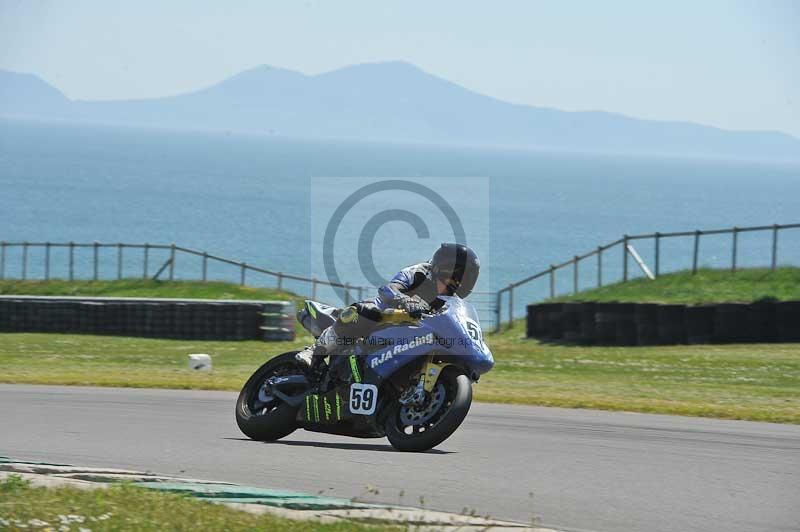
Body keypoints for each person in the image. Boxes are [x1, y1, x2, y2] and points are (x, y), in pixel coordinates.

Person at [295, 243, 480, 369]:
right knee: (365, 312)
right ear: (440, 271)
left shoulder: (452, 301)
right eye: (450, 280)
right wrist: (404, 300)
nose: (452, 287)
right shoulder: (420, 272)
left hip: (409, 333)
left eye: (458, 283)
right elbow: (389, 288)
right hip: (383, 315)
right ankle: (314, 353)